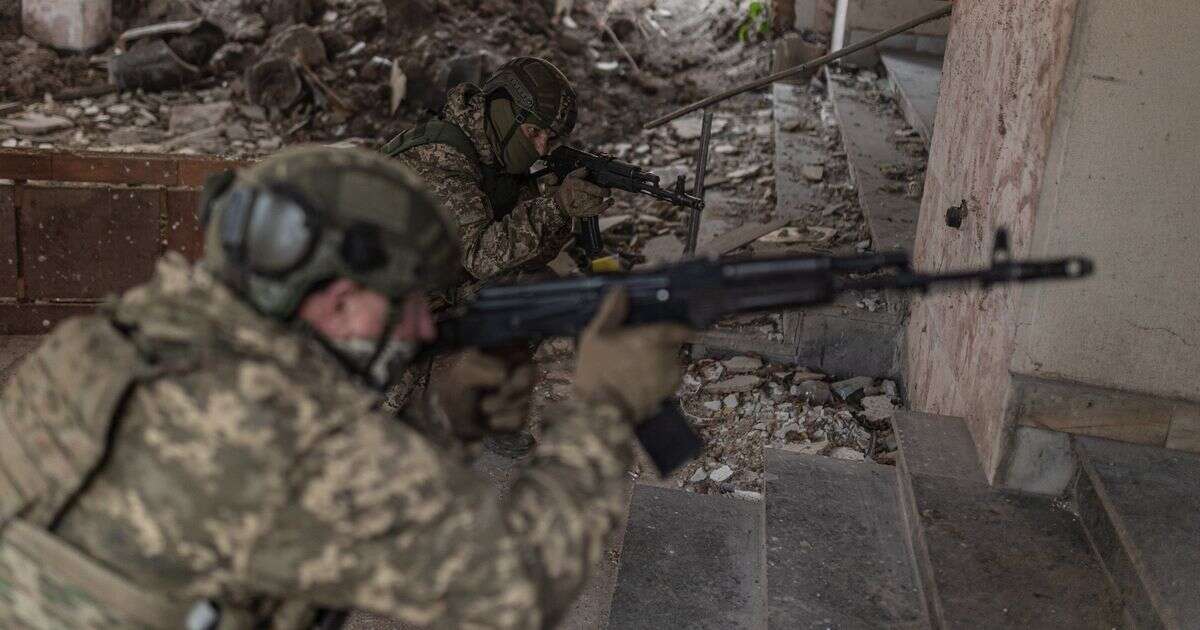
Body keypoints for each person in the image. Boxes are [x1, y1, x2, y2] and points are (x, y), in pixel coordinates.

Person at [0, 146, 690, 629]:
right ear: (333, 300)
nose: (423, 323)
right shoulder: (288, 433)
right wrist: (603, 409)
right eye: (407, 299)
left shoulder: (109, 341)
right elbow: (515, 586)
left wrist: (436, 424)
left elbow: (276, 527)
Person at [382, 57, 611, 456]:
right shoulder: (442, 158)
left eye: (550, 139)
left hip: (435, 289)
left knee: (538, 293)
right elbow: (481, 255)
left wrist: (560, 207)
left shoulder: (498, 156)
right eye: (534, 132)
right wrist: (554, 207)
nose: (540, 147)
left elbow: (525, 254)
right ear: (503, 110)